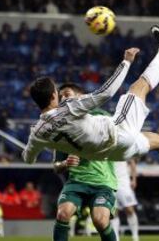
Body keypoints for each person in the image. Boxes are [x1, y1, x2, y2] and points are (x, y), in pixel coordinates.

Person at [22, 26, 159, 180]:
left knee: (156, 141)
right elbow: (105, 93)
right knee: (139, 86)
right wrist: (126, 62)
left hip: (115, 154)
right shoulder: (68, 108)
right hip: (118, 133)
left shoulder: (37, 132)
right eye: (58, 92)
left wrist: (39, 146)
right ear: (52, 98)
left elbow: (28, 159)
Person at [52, 83, 118, 241]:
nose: (63, 99)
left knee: (100, 220)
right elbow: (56, 166)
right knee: (63, 213)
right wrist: (65, 164)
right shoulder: (61, 127)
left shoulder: (101, 116)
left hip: (102, 181)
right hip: (76, 181)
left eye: (67, 94)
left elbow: (116, 140)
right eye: (60, 97)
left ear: (80, 97)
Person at [111, 160, 140, 241]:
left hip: (124, 183)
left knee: (130, 210)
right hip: (111, 183)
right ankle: (116, 238)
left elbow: (132, 162)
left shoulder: (124, 147)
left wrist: (134, 179)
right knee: (114, 212)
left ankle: (135, 236)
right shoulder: (107, 148)